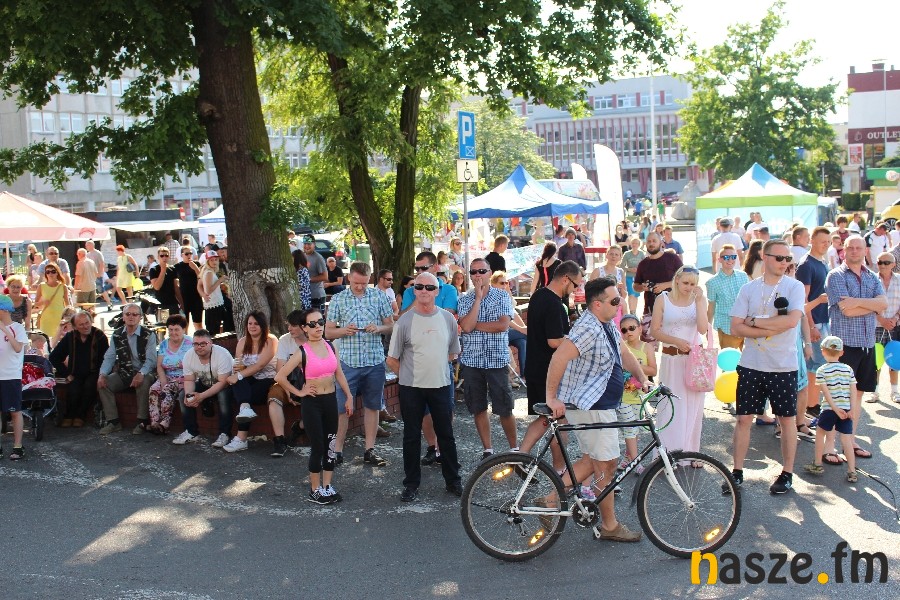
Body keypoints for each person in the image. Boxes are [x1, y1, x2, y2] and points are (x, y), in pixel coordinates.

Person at [544, 277, 650, 542]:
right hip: (592, 406)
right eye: (614, 300)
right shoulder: (588, 328)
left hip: (599, 406)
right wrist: (551, 398)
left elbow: (624, 353)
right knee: (607, 464)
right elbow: (559, 357)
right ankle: (610, 526)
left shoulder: (606, 323)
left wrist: (643, 378)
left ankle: (550, 500)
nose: (619, 304)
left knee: (595, 461)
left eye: (619, 299)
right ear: (597, 304)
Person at [727, 239, 806, 495]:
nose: (784, 263)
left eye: (788, 259)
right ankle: (736, 472)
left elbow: (791, 322)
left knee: (786, 420)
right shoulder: (749, 289)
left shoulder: (794, 287)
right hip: (751, 364)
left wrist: (753, 322)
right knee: (743, 419)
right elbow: (735, 327)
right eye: (779, 258)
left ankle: (787, 473)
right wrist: (771, 325)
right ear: (765, 256)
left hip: (783, 366)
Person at [387, 272, 463, 502]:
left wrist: (435, 369)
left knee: (446, 434)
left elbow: (452, 353)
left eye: (430, 288)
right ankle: (411, 484)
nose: (424, 291)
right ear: (414, 290)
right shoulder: (404, 321)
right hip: (411, 388)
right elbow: (392, 359)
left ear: (437, 291)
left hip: (441, 385)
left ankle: (453, 480)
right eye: (419, 287)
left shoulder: (448, 319)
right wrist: (408, 376)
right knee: (411, 437)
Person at [275, 308, 354, 504]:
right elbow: (280, 376)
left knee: (331, 444)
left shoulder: (330, 346)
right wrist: (299, 392)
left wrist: (349, 396)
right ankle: (314, 489)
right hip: (312, 403)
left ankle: (327, 486)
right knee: (318, 446)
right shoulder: (302, 352)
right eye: (312, 324)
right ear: (304, 328)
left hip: (330, 399)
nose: (318, 326)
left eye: (320, 322)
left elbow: (339, 373)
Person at [325, 261, 395, 466]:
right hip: (348, 361)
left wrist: (379, 328)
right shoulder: (338, 299)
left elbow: (391, 326)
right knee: (342, 408)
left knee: (373, 406)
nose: (359, 287)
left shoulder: (379, 296)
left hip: (374, 360)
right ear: (349, 278)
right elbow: (328, 332)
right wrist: (344, 331)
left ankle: (369, 450)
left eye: (364, 283)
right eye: (356, 283)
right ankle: (337, 450)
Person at [516, 261, 581, 472]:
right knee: (558, 421)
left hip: (537, 367)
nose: (575, 290)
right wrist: (576, 342)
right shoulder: (554, 303)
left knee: (549, 418)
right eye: (575, 285)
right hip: (549, 371)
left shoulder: (538, 295)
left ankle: (522, 457)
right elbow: (554, 341)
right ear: (565, 279)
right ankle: (559, 471)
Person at [825, 235, 886, 459]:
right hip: (844, 346)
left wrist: (858, 302)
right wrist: (872, 305)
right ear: (844, 250)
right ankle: (829, 447)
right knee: (837, 397)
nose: (854, 251)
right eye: (850, 247)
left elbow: (884, 304)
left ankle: (849, 441)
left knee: (857, 395)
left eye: (858, 247)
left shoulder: (872, 276)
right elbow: (847, 311)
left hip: (867, 344)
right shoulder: (835, 276)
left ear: (865, 251)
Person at [458, 257, 518, 459]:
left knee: (505, 407)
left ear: (489, 273)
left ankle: (515, 449)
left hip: (496, 360)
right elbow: (466, 327)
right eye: (473, 272)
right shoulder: (465, 299)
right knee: (478, 407)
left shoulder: (502, 296)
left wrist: (473, 324)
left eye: (481, 271)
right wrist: (477, 299)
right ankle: (488, 450)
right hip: (472, 362)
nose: (477, 275)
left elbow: (502, 325)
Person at [651, 265, 709, 455]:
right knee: (670, 406)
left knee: (693, 407)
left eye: (693, 284)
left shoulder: (699, 299)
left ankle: (690, 452)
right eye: (685, 283)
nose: (688, 287)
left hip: (694, 360)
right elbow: (654, 331)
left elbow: (702, 329)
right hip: (671, 358)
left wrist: (699, 301)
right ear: (677, 280)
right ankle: (667, 453)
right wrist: (676, 341)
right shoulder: (663, 299)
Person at [803, 337, 859, 483]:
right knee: (846, 439)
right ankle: (852, 471)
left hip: (829, 409)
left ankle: (817, 463)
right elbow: (853, 390)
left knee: (820, 433)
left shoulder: (822, 370)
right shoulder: (848, 369)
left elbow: (826, 392)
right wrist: (852, 409)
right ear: (841, 352)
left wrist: (834, 408)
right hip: (846, 409)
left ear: (822, 351)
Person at [97, 303, 159, 435]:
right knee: (103, 383)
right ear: (123, 317)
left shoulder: (149, 334)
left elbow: (151, 360)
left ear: (140, 317)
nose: (131, 317)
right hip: (125, 372)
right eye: (128, 314)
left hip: (145, 372)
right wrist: (102, 374)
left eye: (135, 314)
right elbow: (109, 357)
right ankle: (113, 422)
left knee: (143, 382)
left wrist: (141, 373)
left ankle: (141, 421)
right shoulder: (117, 334)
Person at [221, 311, 278, 452]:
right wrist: (238, 372)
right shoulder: (242, 342)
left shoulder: (271, 341)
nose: (252, 326)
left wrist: (238, 375)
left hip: (269, 380)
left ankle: (241, 438)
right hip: (250, 379)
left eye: (256, 324)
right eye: (249, 323)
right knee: (238, 387)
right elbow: (238, 365)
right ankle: (244, 409)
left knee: (243, 390)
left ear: (263, 325)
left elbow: (260, 365)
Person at [795, 227, 832, 429]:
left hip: (824, 319)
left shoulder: (822, 262)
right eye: (822, 241)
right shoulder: (806, 265)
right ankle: (811, 405)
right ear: (812, 242)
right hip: (815, 322)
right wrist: (810, 326)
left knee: (818, 364)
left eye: (828, 241)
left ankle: (812, 404)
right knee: (815, 366)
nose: (826, 244)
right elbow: (804, 299)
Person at [174, 329, 235, 447]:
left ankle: (224, 434)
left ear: (211, 343)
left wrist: (201, 396)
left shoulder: (222, 354)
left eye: (203, 344)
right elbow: (189, 379)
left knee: (223, 395)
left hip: (225, 384)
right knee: (183, 395)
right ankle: (191, 432)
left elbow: (223, 382)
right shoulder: (189, 355)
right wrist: (189, 395)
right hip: (205, 383)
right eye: (196, 344)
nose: (199, 347)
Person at [49, 311, 108, 429]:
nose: (85, 326)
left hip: (94, 372)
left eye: (87, 323)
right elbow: (54, 357)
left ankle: (80, 416)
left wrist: (102, 375)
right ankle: (69, 415)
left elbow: (106, 358)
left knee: (89, 386)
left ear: (91, 322)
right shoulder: (70, 337)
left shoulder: (99, 336)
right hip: (75, 373)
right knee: (73, 389)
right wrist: (66, 373)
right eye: (81, 324)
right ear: (75, 327)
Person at [266, 310, 308, 457]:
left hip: (309, 382)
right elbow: (280, 370)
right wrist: (289, 392)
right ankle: (279, 440)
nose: (289, 328)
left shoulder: (314, 340)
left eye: (293, 325)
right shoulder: (285, 340)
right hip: (286, 381)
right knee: (274, 397)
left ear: (304, 326)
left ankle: (300, 426)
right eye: (288, 325)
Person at [618, 313, 656, 471]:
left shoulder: (646, 347)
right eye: (624, 330)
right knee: (629, 428)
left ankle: (628, 457)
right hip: (623, 397)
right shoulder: (621, 348)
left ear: (640, 328)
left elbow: (653, 370)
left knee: (635, 429)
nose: (628, 332)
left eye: (632, 328)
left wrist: (634, 365)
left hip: (639, 396)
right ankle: (635, 463)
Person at [633, 231, 683, 342]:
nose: (651, 243)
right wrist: (642, 287)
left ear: (661, 243)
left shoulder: (672, 258)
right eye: (649, 241)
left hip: (673, 309)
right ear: (645, 244)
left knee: (672, 347)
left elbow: (685, 278)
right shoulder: (643, 264)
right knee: (648, 346)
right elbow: (635, 286)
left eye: (654, 241)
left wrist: (665, 285)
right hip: (650, 310)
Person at [146, 314, 191, 434]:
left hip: (185, 377)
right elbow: (159, 365)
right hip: (167, 375)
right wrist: (163, 380)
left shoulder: (190, 343)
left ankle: (164, 424)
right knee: (154, 389)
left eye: (176, 329)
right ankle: (154, 422)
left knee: (167, 390)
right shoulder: (164, 344)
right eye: (170, 329)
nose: (173, 333)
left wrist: (166, 384)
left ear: (183, 329)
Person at [0, 294, 28, 460]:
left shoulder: (17, 328)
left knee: (15, 411)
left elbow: (18, 348)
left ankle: (18, 446)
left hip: (11, 376)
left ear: (3, 310)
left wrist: (4, 329)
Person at [706, 245, 750, 349]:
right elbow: (711, 307)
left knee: (749, 359)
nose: (730, 260)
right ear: (720, 260)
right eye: (726, 257)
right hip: (727, 327)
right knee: (729, 359)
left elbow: (749, 299)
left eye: (733, 257)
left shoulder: (743, 276)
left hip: (746, 326)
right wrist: (708, 329)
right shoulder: (712, 282)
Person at [873, 251, 900, 404]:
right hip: (876, 325)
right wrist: (881, 319)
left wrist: (895, 319)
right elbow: (868, 303)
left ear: (893, 264)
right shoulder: (871, 279)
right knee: (876, 360)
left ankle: (895, 391)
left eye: (886, 262)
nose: (882, 265)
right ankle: (874, 391)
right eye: (880, 262)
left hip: (895, 326)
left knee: (894, 358)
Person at [491, 272, 526, 386]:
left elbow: (513, 312)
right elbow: (505, 319)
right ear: (493, 284)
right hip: (497, 332)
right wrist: (522, 329)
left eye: (507, 283)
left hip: (506, 331)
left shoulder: (504, 296)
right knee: (528, 335)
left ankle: (523, 376)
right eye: (502, 283)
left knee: (522, 342)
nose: (505, 285)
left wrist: (524, 328)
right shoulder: (492, 297)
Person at [173, 245, 204, 332]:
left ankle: (199, 338)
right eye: (186, 254)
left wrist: (195, 268)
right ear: (182, 255)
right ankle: (185, 340)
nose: (189, 255)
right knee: (184, 325)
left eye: (190, 253)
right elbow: (174, 282)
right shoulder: (177, 266)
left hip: (196, 297)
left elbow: (202, 278)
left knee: (198, 324)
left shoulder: (196, 264)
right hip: (184, 297)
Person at [35, 262, 70, 337]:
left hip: (60, 318)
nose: (50, 274)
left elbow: (67, 304)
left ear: (57, 273)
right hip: (46, 318)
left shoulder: (63, 286)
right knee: (46, 340)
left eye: (53, 271)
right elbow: (35, 304)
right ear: (46, 274)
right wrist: (43, 302)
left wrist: (68, 317)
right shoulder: (41, 286)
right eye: (48, 272)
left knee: (60, 340)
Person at [199, 251, 229, 334]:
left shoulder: (209, 271)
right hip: (214, 305)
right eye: (211, 260)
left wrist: (204, 295)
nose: (214, 262)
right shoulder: (208, 272)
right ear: (207, 261)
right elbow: (208, 290)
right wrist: (220, 280)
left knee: (221, 328)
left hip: (215, 303)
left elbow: (200, 286)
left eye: (216, 259)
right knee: (214, 332)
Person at [148, 246, 182, 316]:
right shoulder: (154, 270)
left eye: (166, 255)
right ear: (158, 257)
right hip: (160, 303)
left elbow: (176, 287)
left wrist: (181, 302)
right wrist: (163, 270)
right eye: (162, 256)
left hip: (172, 303)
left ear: (169, 257)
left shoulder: (172, 269)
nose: (164, 257)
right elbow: (157, 287)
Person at [303, 235, 328, 312]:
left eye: (309, 244)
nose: (306, 246)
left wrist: (307, 279)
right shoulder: (302, 256)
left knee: (318, 319)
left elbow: (325, 276)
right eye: (305, 244)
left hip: (317, 296)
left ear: (314, 244)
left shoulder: (318, 258)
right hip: (305, 296)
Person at [622, 237, 645, 314]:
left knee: (636, 295)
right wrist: (629, 269)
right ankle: (631, 312)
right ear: (631, 244)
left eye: (636, 243)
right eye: (633, 243)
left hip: (638, 278)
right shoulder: (627, 254)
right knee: (631, 294)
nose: (634, 245)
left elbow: (645, 265)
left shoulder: (641, 254)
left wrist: (639, 270)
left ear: (639, 245)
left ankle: (634, 311)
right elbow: (621, 266)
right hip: (629, 277)